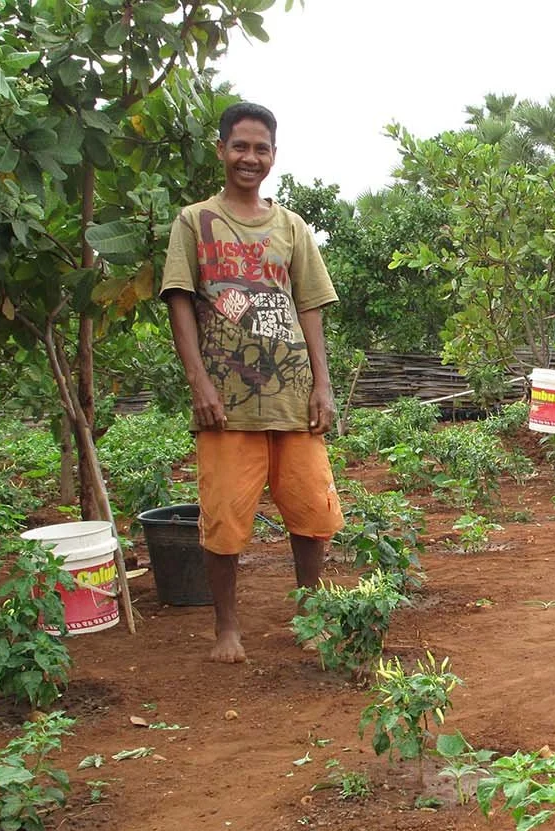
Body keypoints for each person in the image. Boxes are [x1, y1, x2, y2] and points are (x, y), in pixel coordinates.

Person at [159, 102, 343, 662]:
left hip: (292, 397)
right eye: (240, 146)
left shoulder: (291, 227)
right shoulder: (195, 221)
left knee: (312, 516)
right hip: (228, 402)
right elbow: (180, 301)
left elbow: (309, 306)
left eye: (261, 148)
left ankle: (311, 618)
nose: (250, 157)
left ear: (273, 156)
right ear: (220, 150)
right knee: (225, 520)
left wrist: (323, 384)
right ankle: (227, 630)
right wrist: (200, 384)